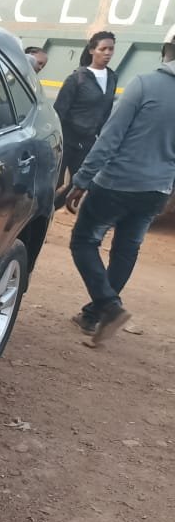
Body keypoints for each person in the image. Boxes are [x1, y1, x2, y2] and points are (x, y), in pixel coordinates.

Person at [66, 24, 175, 344]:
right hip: (156, 190)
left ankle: (109, 306)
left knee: (83, 241)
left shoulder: (144, 84)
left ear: (166, 50)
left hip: (116, 183)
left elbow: (110, 138)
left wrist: (81, 179)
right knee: (127, 249)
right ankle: (93, 315)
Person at [54, 31, 118, 202]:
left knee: (81, 182)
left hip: (89, 141)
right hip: (67, 140)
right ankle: (39, 215)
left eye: (111, 49)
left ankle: (52, 208)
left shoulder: (112, 77)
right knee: (55, 181)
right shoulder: (77, 78)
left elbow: (107, 110)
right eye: (103, 49)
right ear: (91, 50)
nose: (107, 53)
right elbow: (59, 111)